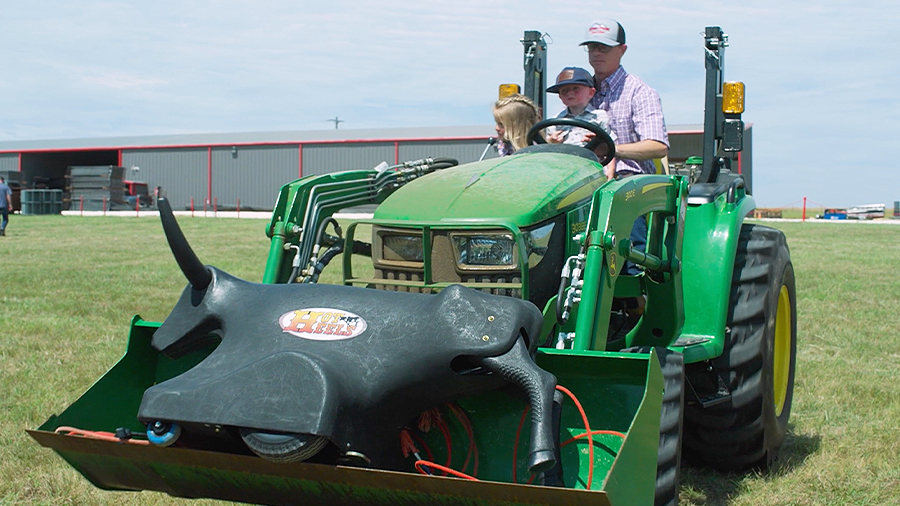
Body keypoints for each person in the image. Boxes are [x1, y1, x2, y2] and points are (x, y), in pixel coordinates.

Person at [581, 19, 669, 177]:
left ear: (622, 50)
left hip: (630, 181)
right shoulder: (579, 92)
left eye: (604, 47)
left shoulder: (640, 92)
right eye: (592, 47)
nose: (596, 52)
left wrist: (611, 150)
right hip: (585, 179)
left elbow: (657, 147)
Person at [544, 66, 617, 171]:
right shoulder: (554, 121)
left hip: (593, 170)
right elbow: (547, 150)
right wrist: (551, 142)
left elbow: (611, 147)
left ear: (591, 92)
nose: (570, 93)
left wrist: (610, 172)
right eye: (564, 90)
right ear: (560, 96)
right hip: (562, 169)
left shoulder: (600, 117)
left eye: (575, 88)